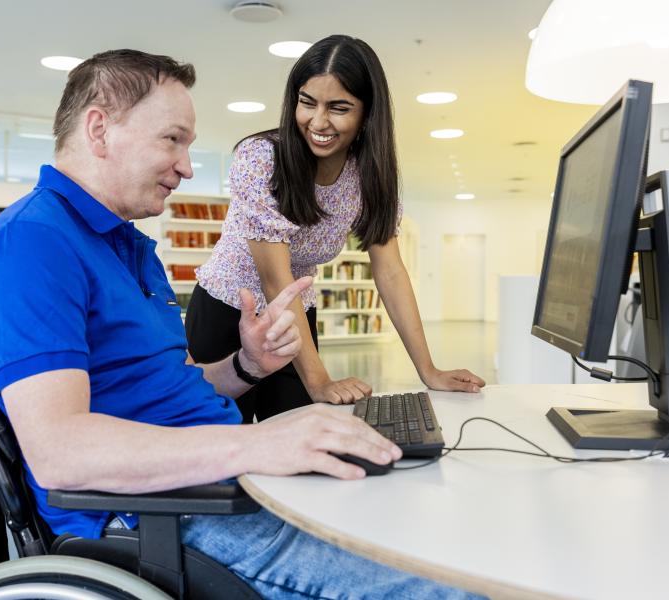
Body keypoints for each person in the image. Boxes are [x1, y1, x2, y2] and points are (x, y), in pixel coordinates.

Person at [0, 50, 482, 600]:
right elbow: (60, 453)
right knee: (448, 587)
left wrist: (247, 365)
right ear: (99, 129)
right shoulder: (31, 244)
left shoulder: (127, 247)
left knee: (434, 530)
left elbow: (176, 385)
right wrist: (256, 443)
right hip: (163, 516)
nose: (187, 167)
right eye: (172, 140)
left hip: (219, 486)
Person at [187, 35, 486, 424]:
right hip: (226, 313)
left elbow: (391, 272)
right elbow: (276, 279)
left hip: (295, 320)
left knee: (298, 437)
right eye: (307, 102)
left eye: (338, 107)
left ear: (367, 114)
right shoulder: (260, 158)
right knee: (222, 440)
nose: (318, 122)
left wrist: (428, 370)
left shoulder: (369, 176)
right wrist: (319, 382)